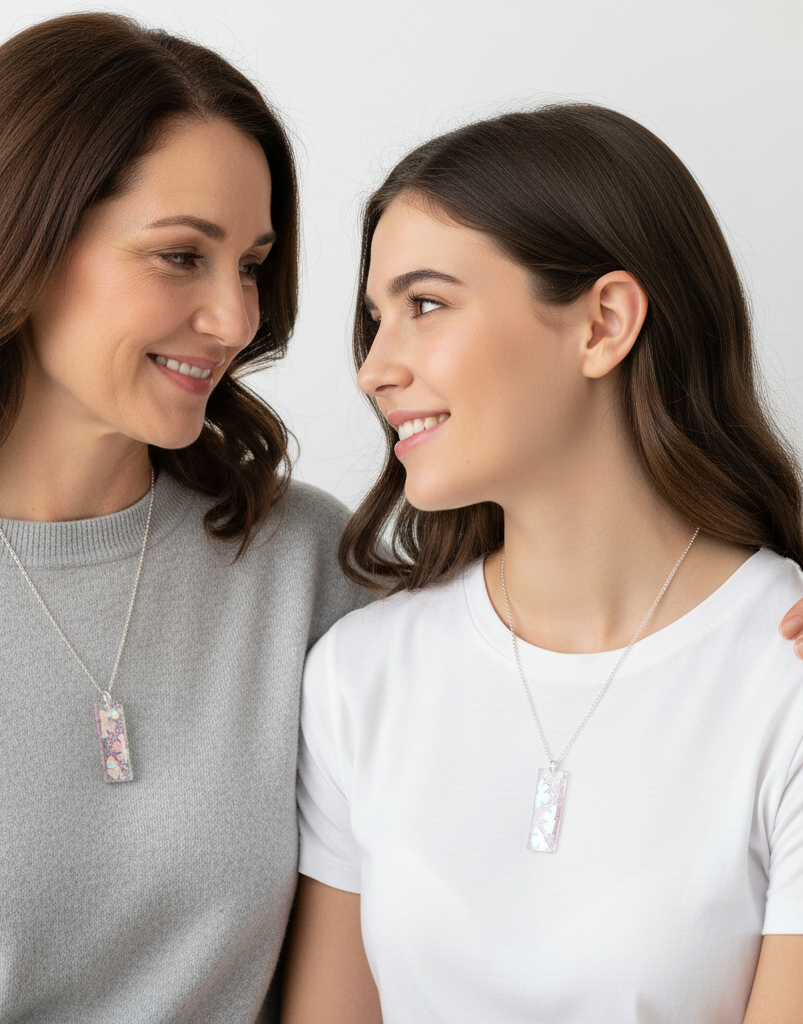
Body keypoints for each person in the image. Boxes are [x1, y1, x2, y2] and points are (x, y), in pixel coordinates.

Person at [0, 13, 368, 1023]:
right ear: (19, 249)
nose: (237, 319)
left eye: (251, 264)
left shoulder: (308, 566)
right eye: (180, 256)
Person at [282, 104, 803, 1022]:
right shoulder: (360, 678)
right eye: (375, 318)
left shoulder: (783, 673)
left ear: (603, 323)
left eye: (425, 305)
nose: (373, 368)